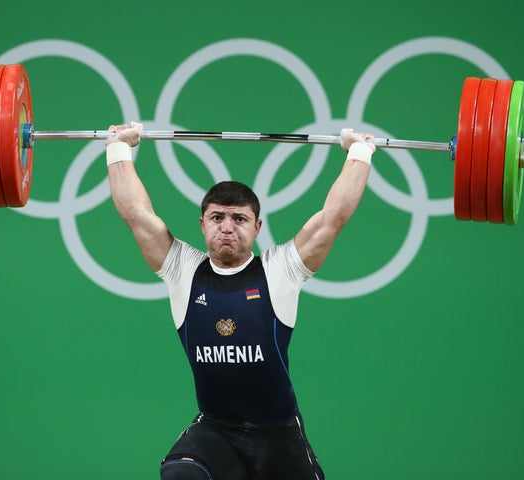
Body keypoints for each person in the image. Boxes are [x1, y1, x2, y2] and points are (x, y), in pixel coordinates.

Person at [105, 121, 375, 480]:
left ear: (257, 227)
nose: (227, 227)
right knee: (181, 475)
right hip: (217, 430)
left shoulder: (281, 269)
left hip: (279, 435)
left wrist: (358, 152)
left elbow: (333, 218)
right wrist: (119, 148)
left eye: (239, 219)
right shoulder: (182, 269)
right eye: (217, 217)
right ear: (202, 224)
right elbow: (136, 214)